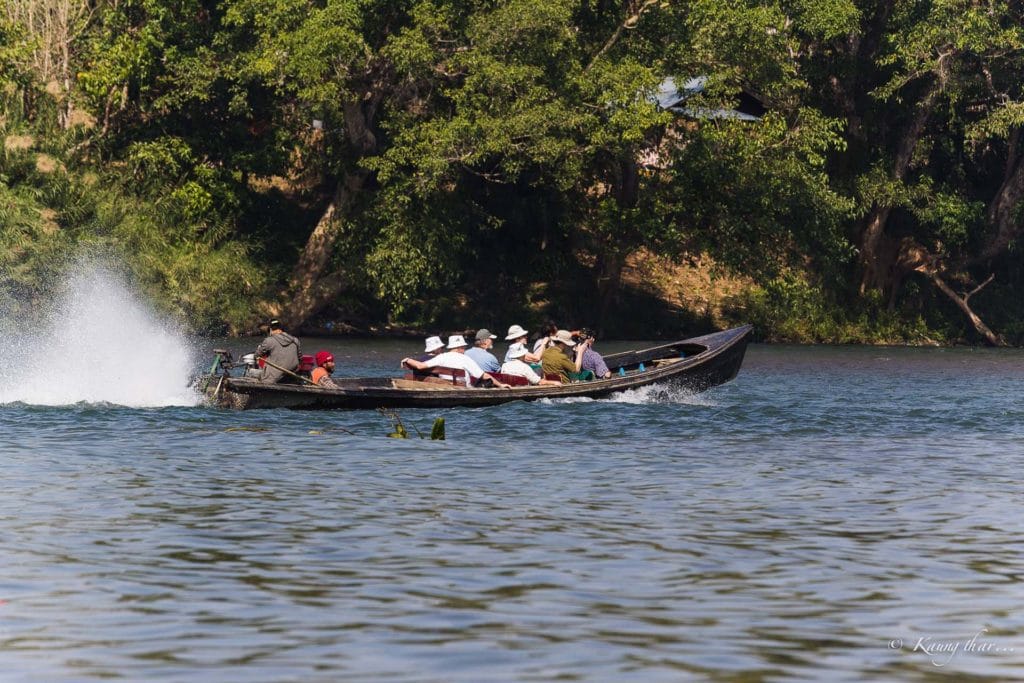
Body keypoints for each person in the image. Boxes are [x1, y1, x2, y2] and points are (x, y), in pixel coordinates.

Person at [401, 335, 511, 388]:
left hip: (446, 387)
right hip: (463, 388)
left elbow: (420, 366)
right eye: (463, 347)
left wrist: (407, 359)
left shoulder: (441, 356)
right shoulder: (465, 358)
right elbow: (484, 375)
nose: (464, 349)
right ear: (459, 348)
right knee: (485, 382)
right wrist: (500, 385)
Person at [255, 319, 301, 383]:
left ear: (270, 329)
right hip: (292, 376)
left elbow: (257, 355)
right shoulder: (295, 340)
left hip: (272, 378)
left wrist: (260, 348)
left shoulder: (269, 341)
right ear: (281, 328)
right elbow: (300, 358)